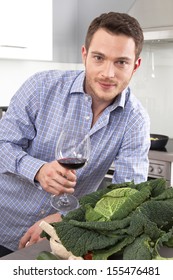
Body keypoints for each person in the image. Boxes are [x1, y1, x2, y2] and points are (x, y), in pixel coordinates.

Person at [0, 11, 150, 257]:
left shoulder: (135, 121)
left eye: (121, 62)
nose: (108, 73)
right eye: (99, 58)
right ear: (84, 55)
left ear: (135, 65)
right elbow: (2, 144)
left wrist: (66, 217)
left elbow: (126, 194)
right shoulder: (41, 87)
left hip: (58, 241)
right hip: (3, 222)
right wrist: (37, 170)